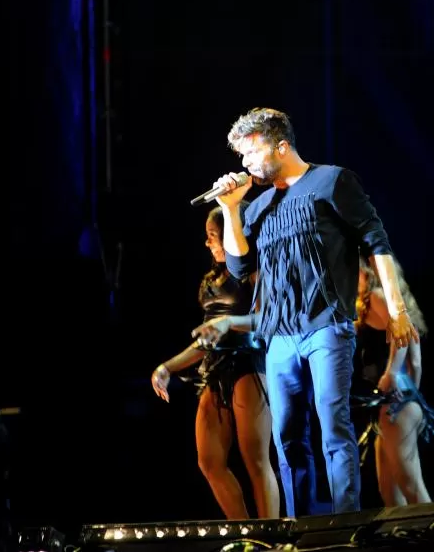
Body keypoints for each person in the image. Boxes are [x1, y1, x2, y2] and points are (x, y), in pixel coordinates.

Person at [191, 107, 419, 517]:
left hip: (327, 327)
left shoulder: (331, 181)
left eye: (251, 152)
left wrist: (398, 309)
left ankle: (345, 524)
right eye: (240, 157)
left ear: (281, 145)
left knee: (333, 428)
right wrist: (229, 210)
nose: (245, 164)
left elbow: (376, 241)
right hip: (279, 337)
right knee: (287, 437)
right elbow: (240, 268)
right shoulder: (258, 207)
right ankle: (300, 527)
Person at [150, 206, 280, 519]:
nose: (208, 243)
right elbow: (206, 339)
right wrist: (167, 367)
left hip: (249, 365)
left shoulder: (254, 271)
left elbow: (267, 318)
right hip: (215, 370)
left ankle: (270, 535)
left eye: (212, 236)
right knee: (208, 460)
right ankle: (244, 532)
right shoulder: (210, 281)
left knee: (255, 459)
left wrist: (229, 323)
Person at [352, 256, 434, 506]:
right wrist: (412, 392)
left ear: (366, 269)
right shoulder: (374, 304)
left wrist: (392, 374)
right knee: (389, 491)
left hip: (395, 404)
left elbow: (402, 336)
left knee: (411, 489)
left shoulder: (376, 296)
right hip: (397, 403)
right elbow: (416, 357)